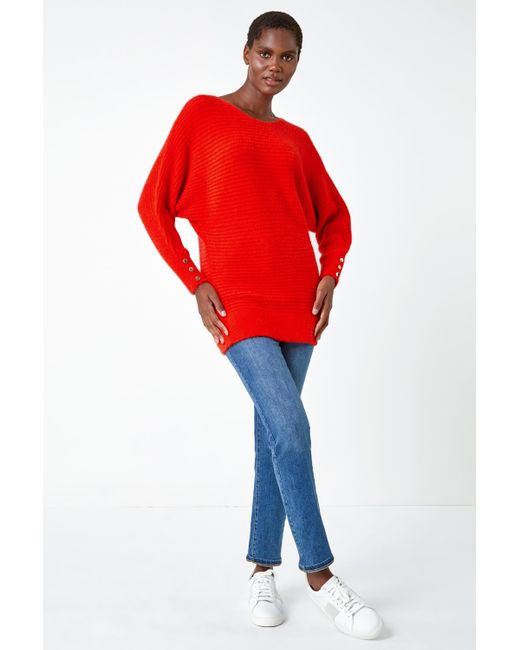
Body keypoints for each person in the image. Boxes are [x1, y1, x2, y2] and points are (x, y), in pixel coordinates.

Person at [137, 10, 384, 641]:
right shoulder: (202, 115)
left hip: (297, 304)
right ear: (246, 52)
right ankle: (322, 576)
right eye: (266, 53)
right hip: (237, 304)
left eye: (288, 56)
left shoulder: (296, 141)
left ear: (298, 62)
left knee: (273, 436)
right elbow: (153, 205)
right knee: (291, 427)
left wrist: (329, 274)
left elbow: (335, 218)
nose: (275, 66)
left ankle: (261, 568)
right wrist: (195, 280)